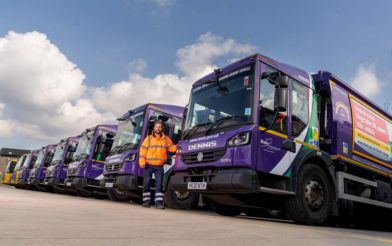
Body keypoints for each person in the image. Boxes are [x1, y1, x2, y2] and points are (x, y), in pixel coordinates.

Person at [139, 120, 177, 209]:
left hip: (159, 166)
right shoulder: (148, 138)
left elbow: (171, 148)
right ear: (154, 128)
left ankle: (158, 203)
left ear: (161, 128)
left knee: (159, 184)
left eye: (159, 127)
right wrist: (142, 162)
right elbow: (143, 151)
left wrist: (178, 146)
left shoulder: (166, 139)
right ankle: (146, 202)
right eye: (156, 127)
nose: (158, 128)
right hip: (148, 165)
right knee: (146, 183)